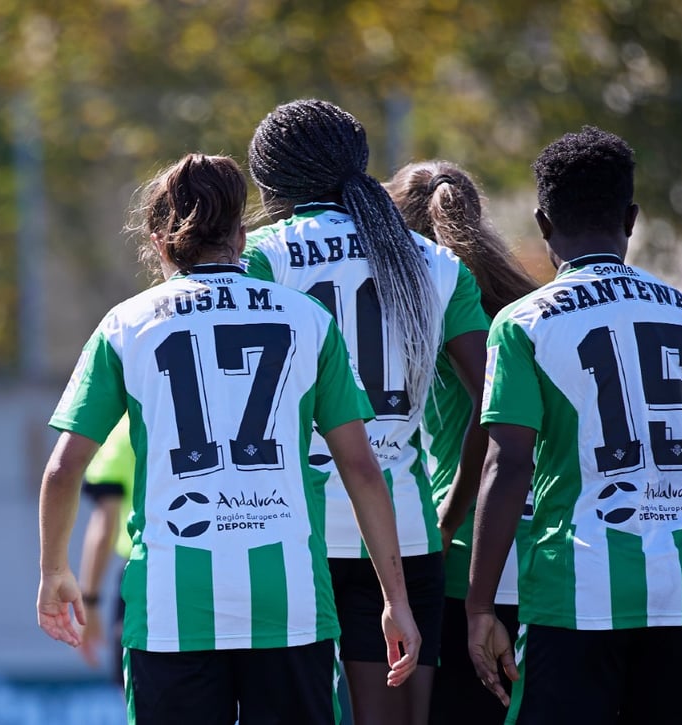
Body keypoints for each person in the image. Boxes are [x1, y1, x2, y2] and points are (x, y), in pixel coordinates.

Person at [37, 153, 420, 725]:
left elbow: (64, 469)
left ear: (159, 243)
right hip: (290, 602)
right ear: (242, 237)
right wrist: (395, 599)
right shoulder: (308, 319)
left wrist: (54, 573)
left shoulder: (125, 324)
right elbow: (362, 469)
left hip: (172, 605)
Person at [468, 126, 682, 724]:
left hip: (577, 588)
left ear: (543, 224)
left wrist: (479, 607)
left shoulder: (523, 323)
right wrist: (676, 509)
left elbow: (507, 463)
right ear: (631, 219)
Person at [243, 99, 491, 724]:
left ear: (270, 184)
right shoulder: (437, 262)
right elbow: (495, 408)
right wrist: (450, 514)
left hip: (290, 531)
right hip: (406, 530)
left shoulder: (262, 255)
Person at [385, 160, 540, 724]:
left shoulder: (435, 302)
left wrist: (448, 516)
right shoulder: (527, 303)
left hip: (468, 559)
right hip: (546, 555)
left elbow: (487, 402)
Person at [75, 414, 135, 683]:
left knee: (140, 692)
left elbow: (104, 523)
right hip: (224, 568)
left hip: (146, 577)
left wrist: (88, 602)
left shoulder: (124, 431)